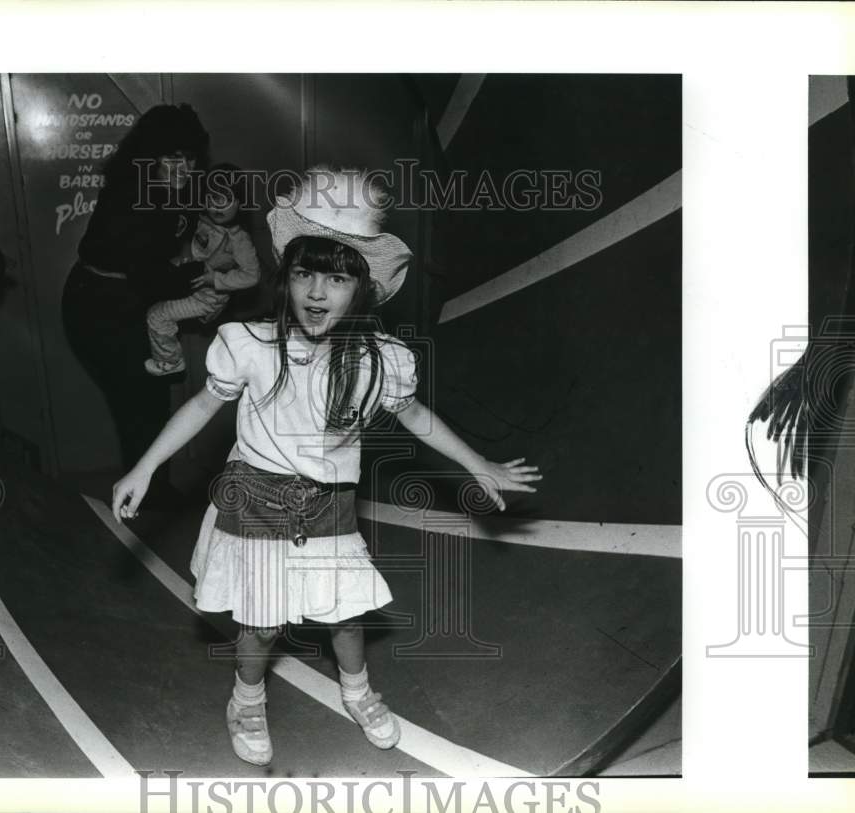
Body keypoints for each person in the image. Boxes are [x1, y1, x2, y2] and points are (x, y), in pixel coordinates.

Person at [111, 167, 542, 766]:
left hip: (330, 506)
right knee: (259, 626)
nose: (317, 292)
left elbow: (416, 417)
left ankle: (359, 692)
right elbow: (204, 403)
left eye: (336, 279)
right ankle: (247, 699)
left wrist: (478, 464)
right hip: (256, 500)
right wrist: (145, 468)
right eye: (305, 274)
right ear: (285, 278)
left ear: (361, 289)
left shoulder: (379, 360)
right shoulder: (250, 345)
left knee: (345, 615)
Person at [61, 103, 210, 474]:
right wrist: (208, 274)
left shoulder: (167, 190)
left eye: (190, 158)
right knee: (140, 401)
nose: (184, 168)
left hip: (123, 301)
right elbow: (151, 276)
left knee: (149, 399)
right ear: (150, 157)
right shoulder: (130, 197)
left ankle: (151, 491)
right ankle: (148, 493)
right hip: (98, 306)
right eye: (173, 158)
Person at [144, 163, 262, 376]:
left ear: (240, 203)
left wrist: (216, 280)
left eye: (225, 200)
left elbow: (252, 275)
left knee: (157, 316)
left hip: (207, 298)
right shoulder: (200, 219)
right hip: (188, 284)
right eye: (211, 199)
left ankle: (170, 361)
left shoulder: (239, 239)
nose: (217, 206)